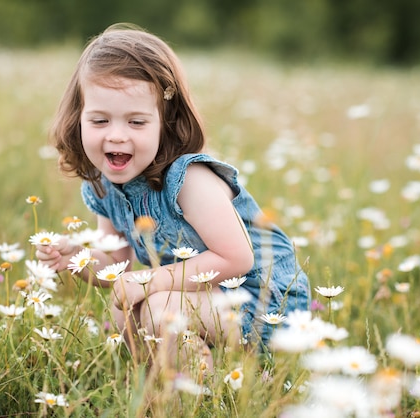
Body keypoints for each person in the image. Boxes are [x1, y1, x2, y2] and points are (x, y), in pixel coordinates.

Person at [36, 23, 310, 373]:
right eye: (100, 120)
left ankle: (200, 398)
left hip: (265, 303)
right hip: (206, 298)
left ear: (165, 123)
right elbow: (115, 263)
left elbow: (237, 258)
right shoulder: (101, 184)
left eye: (136, 122)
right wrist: (78, 256)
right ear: (79, 120)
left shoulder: (190, 180)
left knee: (157, 308)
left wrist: (151, 280)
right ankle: (167, 387)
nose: (116, 136)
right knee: (123, 304)